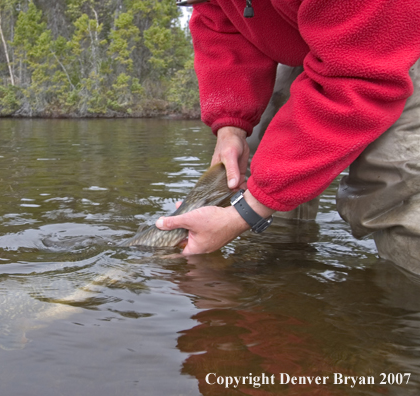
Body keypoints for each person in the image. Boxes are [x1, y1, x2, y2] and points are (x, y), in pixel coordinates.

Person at [156, 0, 420, 274]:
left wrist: (245, 213)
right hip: (306, 39)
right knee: (259, 166)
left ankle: (407, 301)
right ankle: (278, 271)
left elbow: (361, 74)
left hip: (392, 36)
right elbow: (221, 21)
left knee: (393, 178)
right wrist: (230, 126)